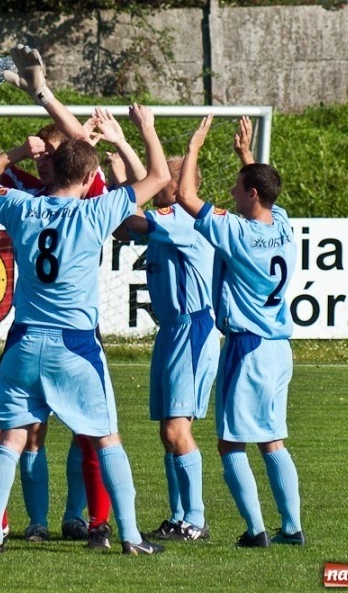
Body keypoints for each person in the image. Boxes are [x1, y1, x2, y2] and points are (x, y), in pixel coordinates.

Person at [0, 97, 170, 556]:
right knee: (106, 439)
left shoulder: (21, 205)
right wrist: (141, 130)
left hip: (22, 343)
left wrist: (17, 154)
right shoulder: (92, 211)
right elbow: (159, 178)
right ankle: (131, 537)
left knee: (11, 439)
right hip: (74, 345)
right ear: (86, 178)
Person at [0, 43, 114, 549]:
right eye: (47, 156)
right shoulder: (29, 189)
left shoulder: (82, 191)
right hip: (38, 326)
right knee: (23, 432)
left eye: (56, 157)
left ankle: (89, 519)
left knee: (86, 432)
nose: (49, 163)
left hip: (68, 325)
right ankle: (17, 521)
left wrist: (41, 93)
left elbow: (82, 149)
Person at [175, 114, 304, 548]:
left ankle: (255, 531)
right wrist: (246, 156)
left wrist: (193, 147)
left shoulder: (236, 232)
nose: (230, 191)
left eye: (236, 185)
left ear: (250, 194)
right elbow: (262, 191)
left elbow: (185, 195)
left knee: (230, 444)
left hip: (247, 346)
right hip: (279, 348)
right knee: (272, 441)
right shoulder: (282, 223)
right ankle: (292, 527)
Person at [122, 155, 218, 542]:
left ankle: (195, 519)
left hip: (191, 327)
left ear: (175, 185)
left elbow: (129, 219)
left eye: (161, 174)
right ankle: (179, 516)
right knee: (168, 430)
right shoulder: (166, 221)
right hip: (172, 331)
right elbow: (124, 228)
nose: (154, 176)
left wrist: (125, 164)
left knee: (178, 428)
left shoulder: (182, 218)